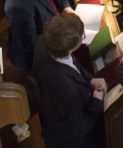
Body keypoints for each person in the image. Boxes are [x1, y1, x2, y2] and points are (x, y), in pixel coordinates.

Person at [32, 13, 106, 148]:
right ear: (70, 47)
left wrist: (90, 79)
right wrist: (97, 101)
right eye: (82, 37)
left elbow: (73, 63)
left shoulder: (43, 41)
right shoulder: (67, 90)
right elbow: (78, 130)